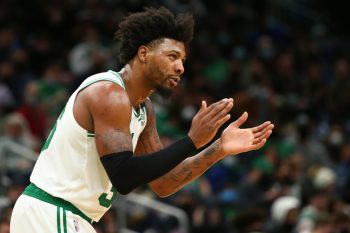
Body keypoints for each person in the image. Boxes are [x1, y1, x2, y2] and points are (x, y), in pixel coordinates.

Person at [10, 6, 274, 233]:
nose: (181, 67)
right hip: (50, 211)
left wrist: (218, 148)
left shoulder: (143, 109)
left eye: (182, 60)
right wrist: (192, 141)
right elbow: (124, 177)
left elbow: (163, 183)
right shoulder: (109, 93)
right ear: (144, 53)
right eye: (172, 56)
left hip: (70, 216)